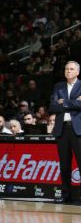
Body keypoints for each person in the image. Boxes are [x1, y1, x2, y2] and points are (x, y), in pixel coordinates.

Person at [49, 61, 81, 204]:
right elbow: (53, 106)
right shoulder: (58, 86)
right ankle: (65, 194)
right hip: (62, 129)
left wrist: (64, 102)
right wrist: (73, 102)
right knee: (64, 164)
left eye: (71, 69)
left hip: (78, 129)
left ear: (77, 72)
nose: (68, 71)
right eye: (67, 69)